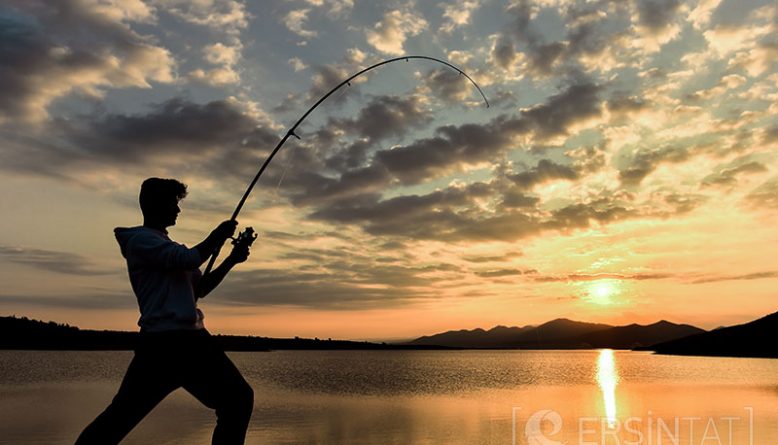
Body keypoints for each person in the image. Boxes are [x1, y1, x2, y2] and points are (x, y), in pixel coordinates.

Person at [75, 178, 254, 445]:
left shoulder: (166, 245)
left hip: (191, 343)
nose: (178, 210)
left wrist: (231, 260)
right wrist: (217, 235)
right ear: (157, 204)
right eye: (174, 203)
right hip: (164, 345)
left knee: (238, 400)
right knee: (118, 419)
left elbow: (200, 289)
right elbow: (190, 258)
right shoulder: (141, 242)